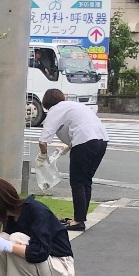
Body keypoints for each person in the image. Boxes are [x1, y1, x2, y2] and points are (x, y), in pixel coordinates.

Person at [36, 87, 107, 230]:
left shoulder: (55, 110)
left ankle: (78, 221)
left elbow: (43, 141)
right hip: (102, 141)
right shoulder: (75, 106)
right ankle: (81, 217)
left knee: (77, 182)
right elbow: (80, 126)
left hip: (84, 142)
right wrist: (67, 148)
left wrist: (43, 156)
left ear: (47, 102)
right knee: (86, 180)